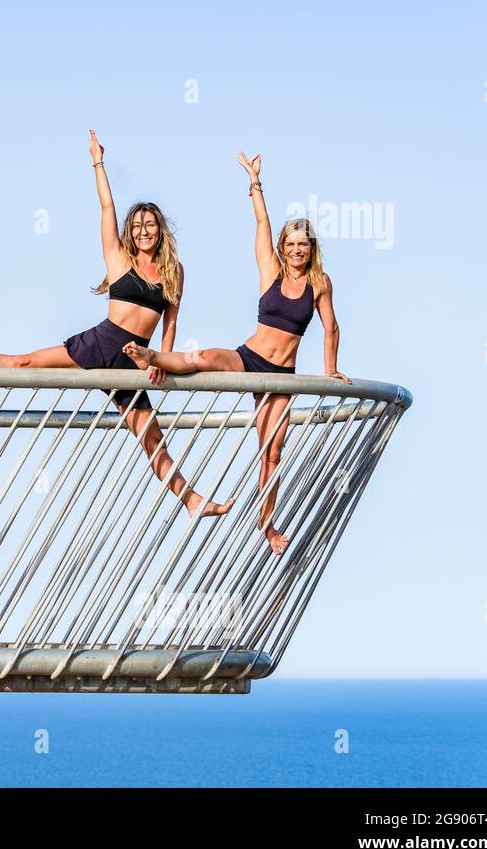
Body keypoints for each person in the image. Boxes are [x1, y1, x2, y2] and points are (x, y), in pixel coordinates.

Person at [0, 130, 231, 519]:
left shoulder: (175, 271)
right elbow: (107, 207)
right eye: (137, 225)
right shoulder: (119, 259)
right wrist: (97, 161)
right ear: (130, 231)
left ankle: (192, 502)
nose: (143, 231)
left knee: (151, 437)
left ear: (160, 229)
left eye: (150, 225)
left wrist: (159, 360)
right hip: (101, 343)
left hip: (135, 360)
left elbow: (170, 323)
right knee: (23, 363)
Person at [123, 151, 350, 554]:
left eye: (303, 244)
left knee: (272, 450)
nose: (296, 250)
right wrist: (255, 182)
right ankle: (152, 357)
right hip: (250, 358)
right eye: (291, 243)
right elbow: (262, 223)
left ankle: (267, 525)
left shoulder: (321, 282)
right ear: (284, 246)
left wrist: (331, 370)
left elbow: (331, 327)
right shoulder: (271, 270)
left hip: (281, 376)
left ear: (312, 249)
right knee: (201, 359)